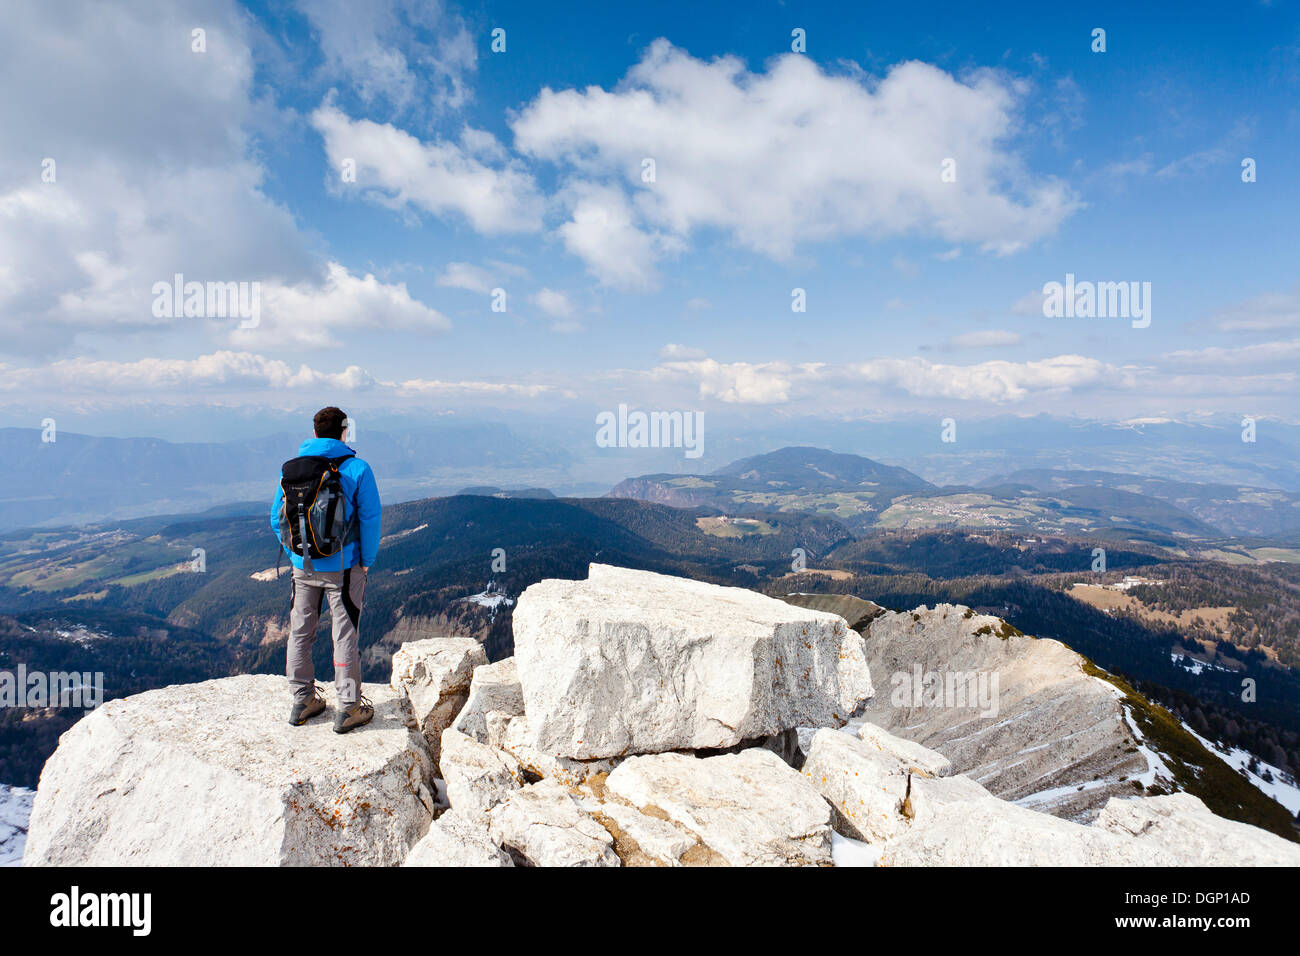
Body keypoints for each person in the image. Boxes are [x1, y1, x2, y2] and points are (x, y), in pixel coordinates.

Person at [271, 406, 381, 733]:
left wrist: (295, 551)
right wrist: (366, 561)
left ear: (315, 432)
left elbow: (276, 519)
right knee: (344, 633)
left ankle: (302, 700)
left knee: (301, 630)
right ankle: (348, 707)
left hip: (302, 566)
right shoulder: (358, 468)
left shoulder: (292, 470)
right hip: (344, 568)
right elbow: (370, 520)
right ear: (344, 431)